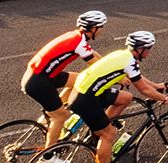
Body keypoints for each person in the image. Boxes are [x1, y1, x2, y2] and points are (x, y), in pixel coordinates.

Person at [67, 30, 168, 163]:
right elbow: (143, 90)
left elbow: (136, 76)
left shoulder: (123, 55)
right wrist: (165, 99)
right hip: (86, 99)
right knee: (109, 134)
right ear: (140, 49)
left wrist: (156, 86)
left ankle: (97, 134)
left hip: (85, 91)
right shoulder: (129, 61)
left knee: (125, 98)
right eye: (149, 49)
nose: (149, 52)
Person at [23, 10, 107, 149]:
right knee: (61, 116)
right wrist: (116, 77)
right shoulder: (79, 42)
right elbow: (94, 64)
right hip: (39, 82)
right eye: (101, 27)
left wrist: (111, 64)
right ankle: (48, 156)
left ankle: (48, 117)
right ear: (93, 28)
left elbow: (94, 55)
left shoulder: (76, 36)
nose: (102, 30)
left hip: (42, 75)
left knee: (79, 80)